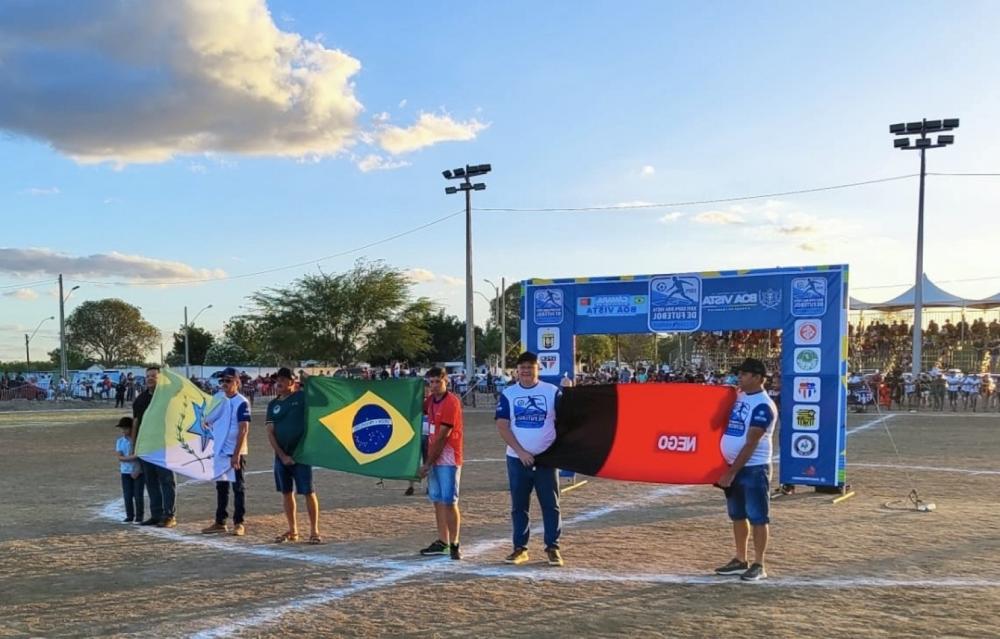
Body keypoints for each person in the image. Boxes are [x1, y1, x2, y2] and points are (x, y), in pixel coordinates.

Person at [495, 351, 563, 567]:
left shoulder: (552, 392)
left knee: (550, 505)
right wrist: (521, 452)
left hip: (545, 460)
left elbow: (566, 420)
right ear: (517, 370)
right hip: (517, 459)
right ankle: (520, 548)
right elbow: (502, 425)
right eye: (522, 367)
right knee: (519, 506)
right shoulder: (509, 394)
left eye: (530, 367)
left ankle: (553, 547)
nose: (526, 371)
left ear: (538, 368)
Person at [714, 357, 777, 582]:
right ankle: (741, 559)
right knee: (738, 515)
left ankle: (759, 563)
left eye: (744, 374)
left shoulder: (763, 405)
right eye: (739, 373)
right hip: (734, 466)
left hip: (753, 468)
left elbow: (751, 443)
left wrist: (731, 472)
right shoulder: (740, 396)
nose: (739, 377)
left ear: (758, 378)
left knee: (758, 517)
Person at [266, 367, 321, 544]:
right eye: (277, 380)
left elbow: (324, 398)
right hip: (281, 456)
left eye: (283, 379)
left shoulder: (301, 398)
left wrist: (308, 380)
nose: (279, 382)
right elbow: (270, 432)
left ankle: (314, 531)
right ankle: (293, 530)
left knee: (308, 492)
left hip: (301, 455)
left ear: (292, 382)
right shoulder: (273, 405)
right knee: (286, 493)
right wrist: (282, 456)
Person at [418, 367, 464, 560]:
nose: (435, 386)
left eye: (438, 381)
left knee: (449, 501)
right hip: (434, 458)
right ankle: (442, 540)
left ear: (446, 381)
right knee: (437, 500)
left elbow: (442, 437)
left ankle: (454, 542)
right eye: (431, 382)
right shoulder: (430, 401)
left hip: (447, 459)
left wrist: (427, 464)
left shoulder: (451, 403)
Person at [202, 368, 252, 537]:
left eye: (228, 381)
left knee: (238, 487)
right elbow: (208, 418)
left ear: (237, 382)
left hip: (234, 450)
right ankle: (220, 521)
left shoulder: (242, 402)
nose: (224, 384)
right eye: (222, 381)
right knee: (221, 486)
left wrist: (237, 453)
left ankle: (239, 522)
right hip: (219, 448)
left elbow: (244, 429)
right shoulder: (217, 399)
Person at [131, 366, 177, 528]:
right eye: (148, 376)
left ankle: (169, 515)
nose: (150, 378)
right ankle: (156, 514)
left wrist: (168, 373)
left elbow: (179, 387)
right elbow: (136, 423)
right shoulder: (140, 400)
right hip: (147, 447)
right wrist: (134, 447)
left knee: (166, 480)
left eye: (154, 376)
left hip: (164, 445)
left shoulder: (167, 396)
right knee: (151, 482)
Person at [115, 417, 144, 523]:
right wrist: (133, 457)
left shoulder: (138, 442)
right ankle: (130, 515)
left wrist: (138, 468)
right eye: (122, 429)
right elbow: (120, 457)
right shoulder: (120, 441)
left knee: (138, 495)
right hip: (125, 472)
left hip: (138, 472)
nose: (123, 431)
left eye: (125, 428)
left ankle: (139, 516)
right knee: (127, 495)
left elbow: (141, 457)